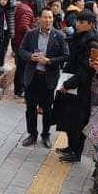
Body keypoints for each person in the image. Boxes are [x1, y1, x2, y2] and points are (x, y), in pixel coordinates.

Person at [19, 8, 69, 149]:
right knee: (30, 108)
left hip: (48, 78)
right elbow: (21, 50)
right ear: (39, 19)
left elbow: (66, 56)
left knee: (47, 109)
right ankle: (32, 134)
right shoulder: (31, 34)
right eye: (45, 17)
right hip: (32, 76)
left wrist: (49, 61)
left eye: (50, 17)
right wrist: (30, 56)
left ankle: (45, 135)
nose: (48, 20)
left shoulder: (59, 36)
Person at [58, 10, 98, 162]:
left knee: (78, 120)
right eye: (77, 21)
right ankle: (70, 147)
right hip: (73, 83)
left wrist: (68, 84)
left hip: (82, 88)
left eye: (82, 22)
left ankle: (76, 152)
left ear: (90, 25)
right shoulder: (79, 38)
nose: (77, 24)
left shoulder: (92, 43)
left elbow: (87, 71)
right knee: (69, 117)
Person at [12, 0, 38, 96]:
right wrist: (33, 34)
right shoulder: (27, 10)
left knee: (20, 66)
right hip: (21, 42)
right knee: (22, 67)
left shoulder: (21, 6)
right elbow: (23, 26)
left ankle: (18, 88)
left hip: (17, 40)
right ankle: (19, 89)